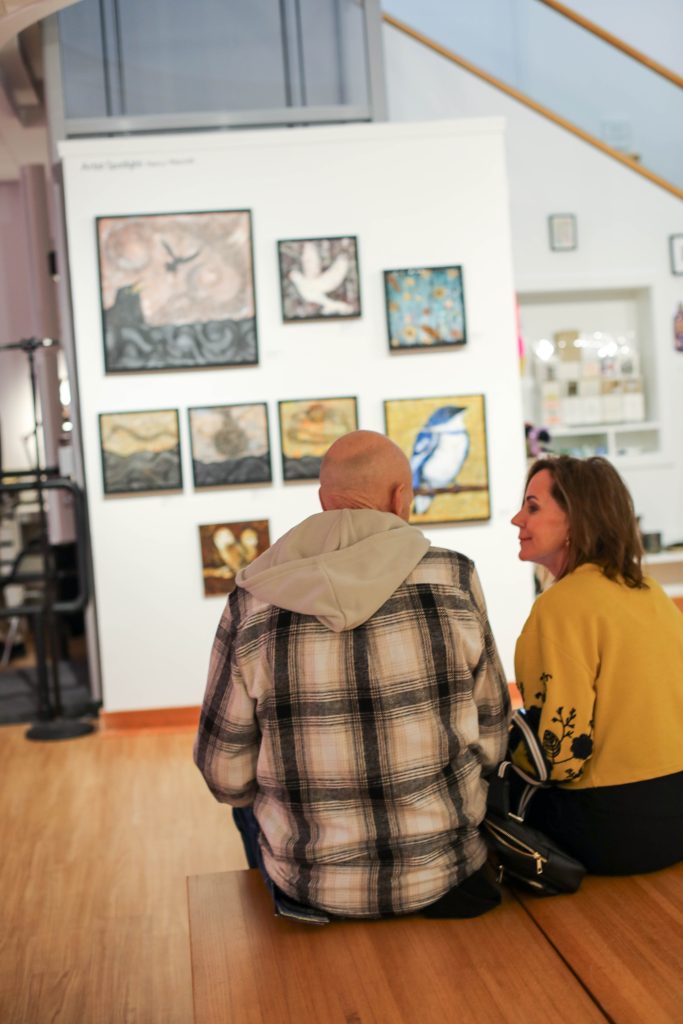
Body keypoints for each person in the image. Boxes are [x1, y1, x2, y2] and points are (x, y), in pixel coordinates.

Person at [194, 429, 510, 921]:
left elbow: (224, 774)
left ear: (324, 501)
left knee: (247, 806)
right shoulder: (454, 578)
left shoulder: (253, 600)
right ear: (400, 498)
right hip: (446, 874)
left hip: (310, 886)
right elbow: (493, 735)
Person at [510, 455, 683, 875]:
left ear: (576, 519)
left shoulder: (560, 606)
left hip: (616, 830)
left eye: (533, 507)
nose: (517, 519)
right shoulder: (650, 591)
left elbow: (559, 758)